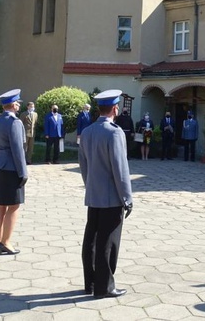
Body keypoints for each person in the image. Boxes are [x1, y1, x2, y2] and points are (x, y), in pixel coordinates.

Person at [79, 89, 133, 299]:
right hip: (112, 196)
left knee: (91, 239)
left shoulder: (88, 131)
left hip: (94, 194)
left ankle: (90, 282)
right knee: (108, 241)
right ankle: (105, 286)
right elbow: (120, 169)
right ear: (114, 108)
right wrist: (127, 199)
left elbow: (83, 165)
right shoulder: (114, 132)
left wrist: (90, 185)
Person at [0, 89, 28, 255]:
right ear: (13, 105)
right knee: (14, 205)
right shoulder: (15, 123)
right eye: (18, 102)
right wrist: (23, 172)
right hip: (12, 168)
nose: (19, 104)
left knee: (1, 204)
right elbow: (18, 149)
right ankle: (6, 242)